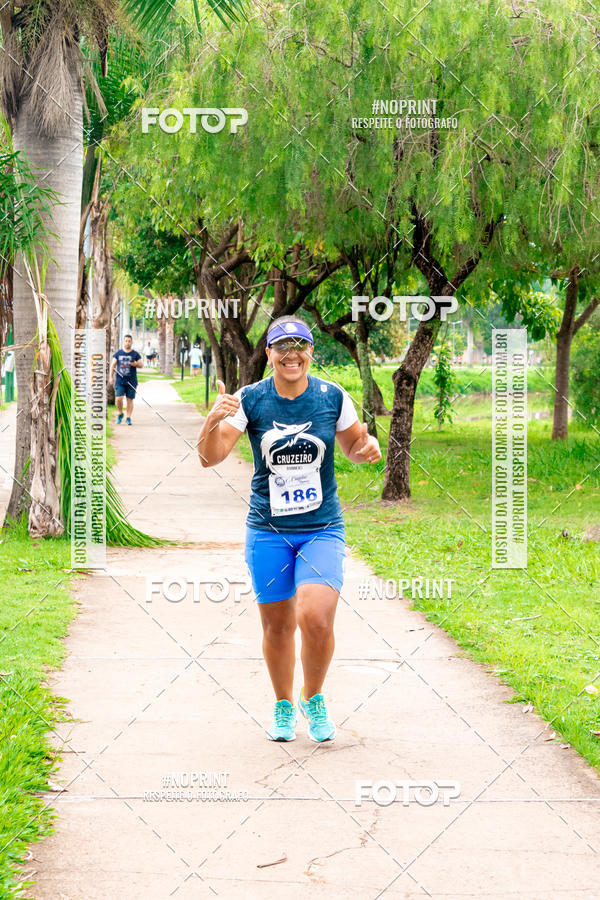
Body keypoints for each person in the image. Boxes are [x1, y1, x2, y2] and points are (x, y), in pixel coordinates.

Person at [196, 316, 381, 743]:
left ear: (311, 351)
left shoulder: (332, 397)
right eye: (282, 346)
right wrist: (211, 420)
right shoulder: (251, 399)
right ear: (269, 354)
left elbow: (354, 446)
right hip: (268, 532)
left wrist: (367, 447)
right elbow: (210, 457)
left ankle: (312, 697)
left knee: (315, 616)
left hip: (321, 528)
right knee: (278, 626)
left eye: (299, 345)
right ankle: (282, 705)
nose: (291, 354)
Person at [109, 334, 142, 425]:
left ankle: (128, 417)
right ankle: (120, 413)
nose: (127, 343)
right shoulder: (118, 353)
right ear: (123, 342)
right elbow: (112, 365)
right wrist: (111, 377)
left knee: (129, 400)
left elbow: (141, 365)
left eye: (129, 341)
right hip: (120, 381)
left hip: (131, 381)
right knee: (118, 399)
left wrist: (136, 364)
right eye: (126, 341)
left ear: (132, 342)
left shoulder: (135, 354)